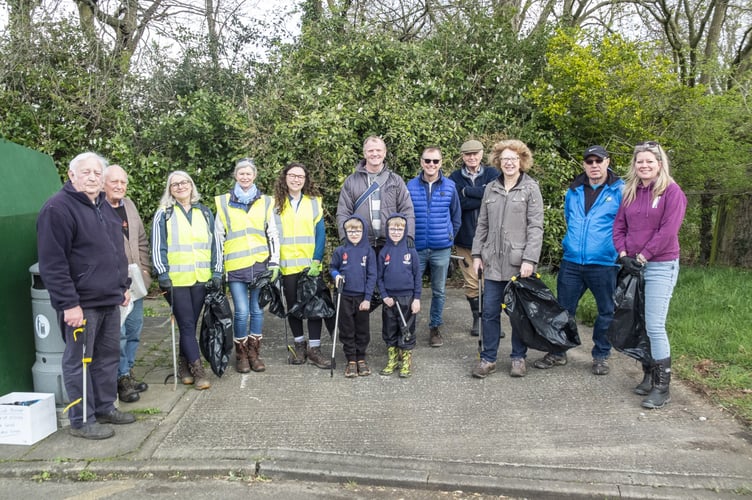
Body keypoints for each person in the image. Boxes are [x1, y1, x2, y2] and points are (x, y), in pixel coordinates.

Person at [37, 152, 135, 439]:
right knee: (80, 361)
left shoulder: (104, 206)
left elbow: (116, 251)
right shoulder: (57, 209)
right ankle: (81, 419)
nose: (92, 177)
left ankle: (104, 407)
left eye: (96, 173)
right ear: (71, 175)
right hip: (82, 305)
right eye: (86, 172)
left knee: (107, 358)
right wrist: (69, 304)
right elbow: (53, 263)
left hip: (109, 300)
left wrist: (123, 285)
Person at [533, 145, 624, 376]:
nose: (594, 166)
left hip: (604, 263)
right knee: (563, 309)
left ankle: (601, 355)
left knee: (606, 311)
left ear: (607, 162)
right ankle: (558, 351)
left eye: (598, 161)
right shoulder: (573, 191)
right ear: (584, 164)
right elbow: (569, 219)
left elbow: (625, 225)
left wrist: (619, 252)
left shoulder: (620, 190)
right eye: (589, 161)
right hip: (572, 261)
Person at [613, 141, 687, 409]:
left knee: (655, 325)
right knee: (640, 322)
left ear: (660, 163)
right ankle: (647, 374)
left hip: (659, 265)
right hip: (632, 265)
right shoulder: (630, 191)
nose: (644, 165)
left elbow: (667, 231)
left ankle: (661, 387)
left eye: (649, 161)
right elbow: (619, 226)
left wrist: (643, 256)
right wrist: (623, 255)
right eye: (639, 161)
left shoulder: (671, 192)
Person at [471, 139, 544, 379]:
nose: (509, 163)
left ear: (521, 161)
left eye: (513, 159)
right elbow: (482, 224)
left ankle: (518, 358)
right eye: (505, 159)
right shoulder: (490, 187)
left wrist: (529, 259)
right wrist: (477, 254)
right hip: (492, 262)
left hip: (518, 263)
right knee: (490, 312)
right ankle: (488, 359)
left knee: (517, 314)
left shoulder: (531, 188)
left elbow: (536, 227)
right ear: (498, 162)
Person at [152, 171, 222, 390]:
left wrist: (217, 272)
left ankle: (183, 366)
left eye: (184, 183)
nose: (180, 187)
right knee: (187, 323)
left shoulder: (205, 212)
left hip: (201, 278)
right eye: (175, 184)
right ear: (170, 190)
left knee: (190, 324)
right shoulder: (163, 213)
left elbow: (215, 245)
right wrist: (162, 274)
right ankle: (198, 370)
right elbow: (158, 246)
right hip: (176, 280)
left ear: (191, 186)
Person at [215, 158, 280, 373]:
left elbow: (272, 233)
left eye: (248, 173)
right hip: (235, 266)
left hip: (259, 264)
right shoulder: (224, 202)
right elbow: (218, 236)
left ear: (254, 176)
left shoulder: (265, 201)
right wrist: (217, 267)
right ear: (236, 176)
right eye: (241, 173)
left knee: (257, 311)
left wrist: (275, 262)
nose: (245, 176)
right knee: (241, 311)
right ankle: (241, 354)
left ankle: (254, 353)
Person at [273, 162, 331, 368]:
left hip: (310, 265)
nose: (296, 179)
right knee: (293, 308)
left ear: (305, 180)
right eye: (292, 175)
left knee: (314, 307)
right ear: (285, 177)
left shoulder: (314, 203)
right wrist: (274, 263)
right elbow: (271, 235)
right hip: (287, 266)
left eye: (301, 176)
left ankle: (314, 349)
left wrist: (317, 260)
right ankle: (299, 345)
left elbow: (321, 233)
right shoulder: (275, 204)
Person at [103, 165, 153, 403]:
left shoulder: (129, 205)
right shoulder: (97, 209)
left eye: (123, 182)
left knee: (134, 329)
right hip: (113, 284)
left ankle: (127, 371)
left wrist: (145, 270)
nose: (119, 186)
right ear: (104, 183)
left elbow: (141, 239)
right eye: (114, 182)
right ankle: (119, 379)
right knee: (118, 333)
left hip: (135, 282)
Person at [407, 146, 461, 347]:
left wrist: (449, 237)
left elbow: (456, 216)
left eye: (435, 161)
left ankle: (435, 327)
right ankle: (408, 327)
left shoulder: (450, 186)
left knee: (439, 291)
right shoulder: (410, 186)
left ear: (441, 163)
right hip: (416, 247)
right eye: (427, 161)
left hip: (441, 248)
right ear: (421, 162)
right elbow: (404, 215)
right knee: (411, 289)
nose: (431, 165)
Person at [449, 139, 499, 337]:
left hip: (492, 239)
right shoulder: (454, 178)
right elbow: (457, 204)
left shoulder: (493, 174)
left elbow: (494, 197)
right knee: (472, 282)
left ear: (481, 154)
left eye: (475, 154)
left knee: (491, 281)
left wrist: (468, 192)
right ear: (462, 156)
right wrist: (482, 196)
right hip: (466, 238)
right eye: (468, 154)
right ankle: (478, 318)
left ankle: (491, 320)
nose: (472, 157)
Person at [336, 135, 415, 254]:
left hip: (391, 243)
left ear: (384, 153)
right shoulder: (352, 181)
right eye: (370, 150)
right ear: (364, 154)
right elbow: (343, 212)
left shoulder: (396, 180)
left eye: (378, 150)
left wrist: (408, 235)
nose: (375, 154)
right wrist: (344, 236)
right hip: (361, 244)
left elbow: (407, 209)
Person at [329, 215, 377, 377]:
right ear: (346, 232)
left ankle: (361, 358)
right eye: (350, 231)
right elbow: (332, 267)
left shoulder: (368, 251)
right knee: (347, 328)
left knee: (362, 328)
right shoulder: (340, 251)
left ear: (363, 232)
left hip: (362, 297)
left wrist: (367, 298)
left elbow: (372, 276)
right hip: (345, 297)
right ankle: (351, 359)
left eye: (357, 231)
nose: (354, 234)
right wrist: (336, 275)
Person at [377, 214, 422, 378]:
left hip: (407, 299)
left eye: (400, 229)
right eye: (393, 228)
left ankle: (406, 362)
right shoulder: (384, 252)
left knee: (407, 329)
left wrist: (416, 298)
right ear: (387, 230)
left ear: (405, 230)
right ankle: (392, 360)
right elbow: (379, 277)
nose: (396, 231)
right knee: (389, 329)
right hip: (389, 299)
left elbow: (418, 276)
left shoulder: (411, 251)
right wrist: (384, 296)